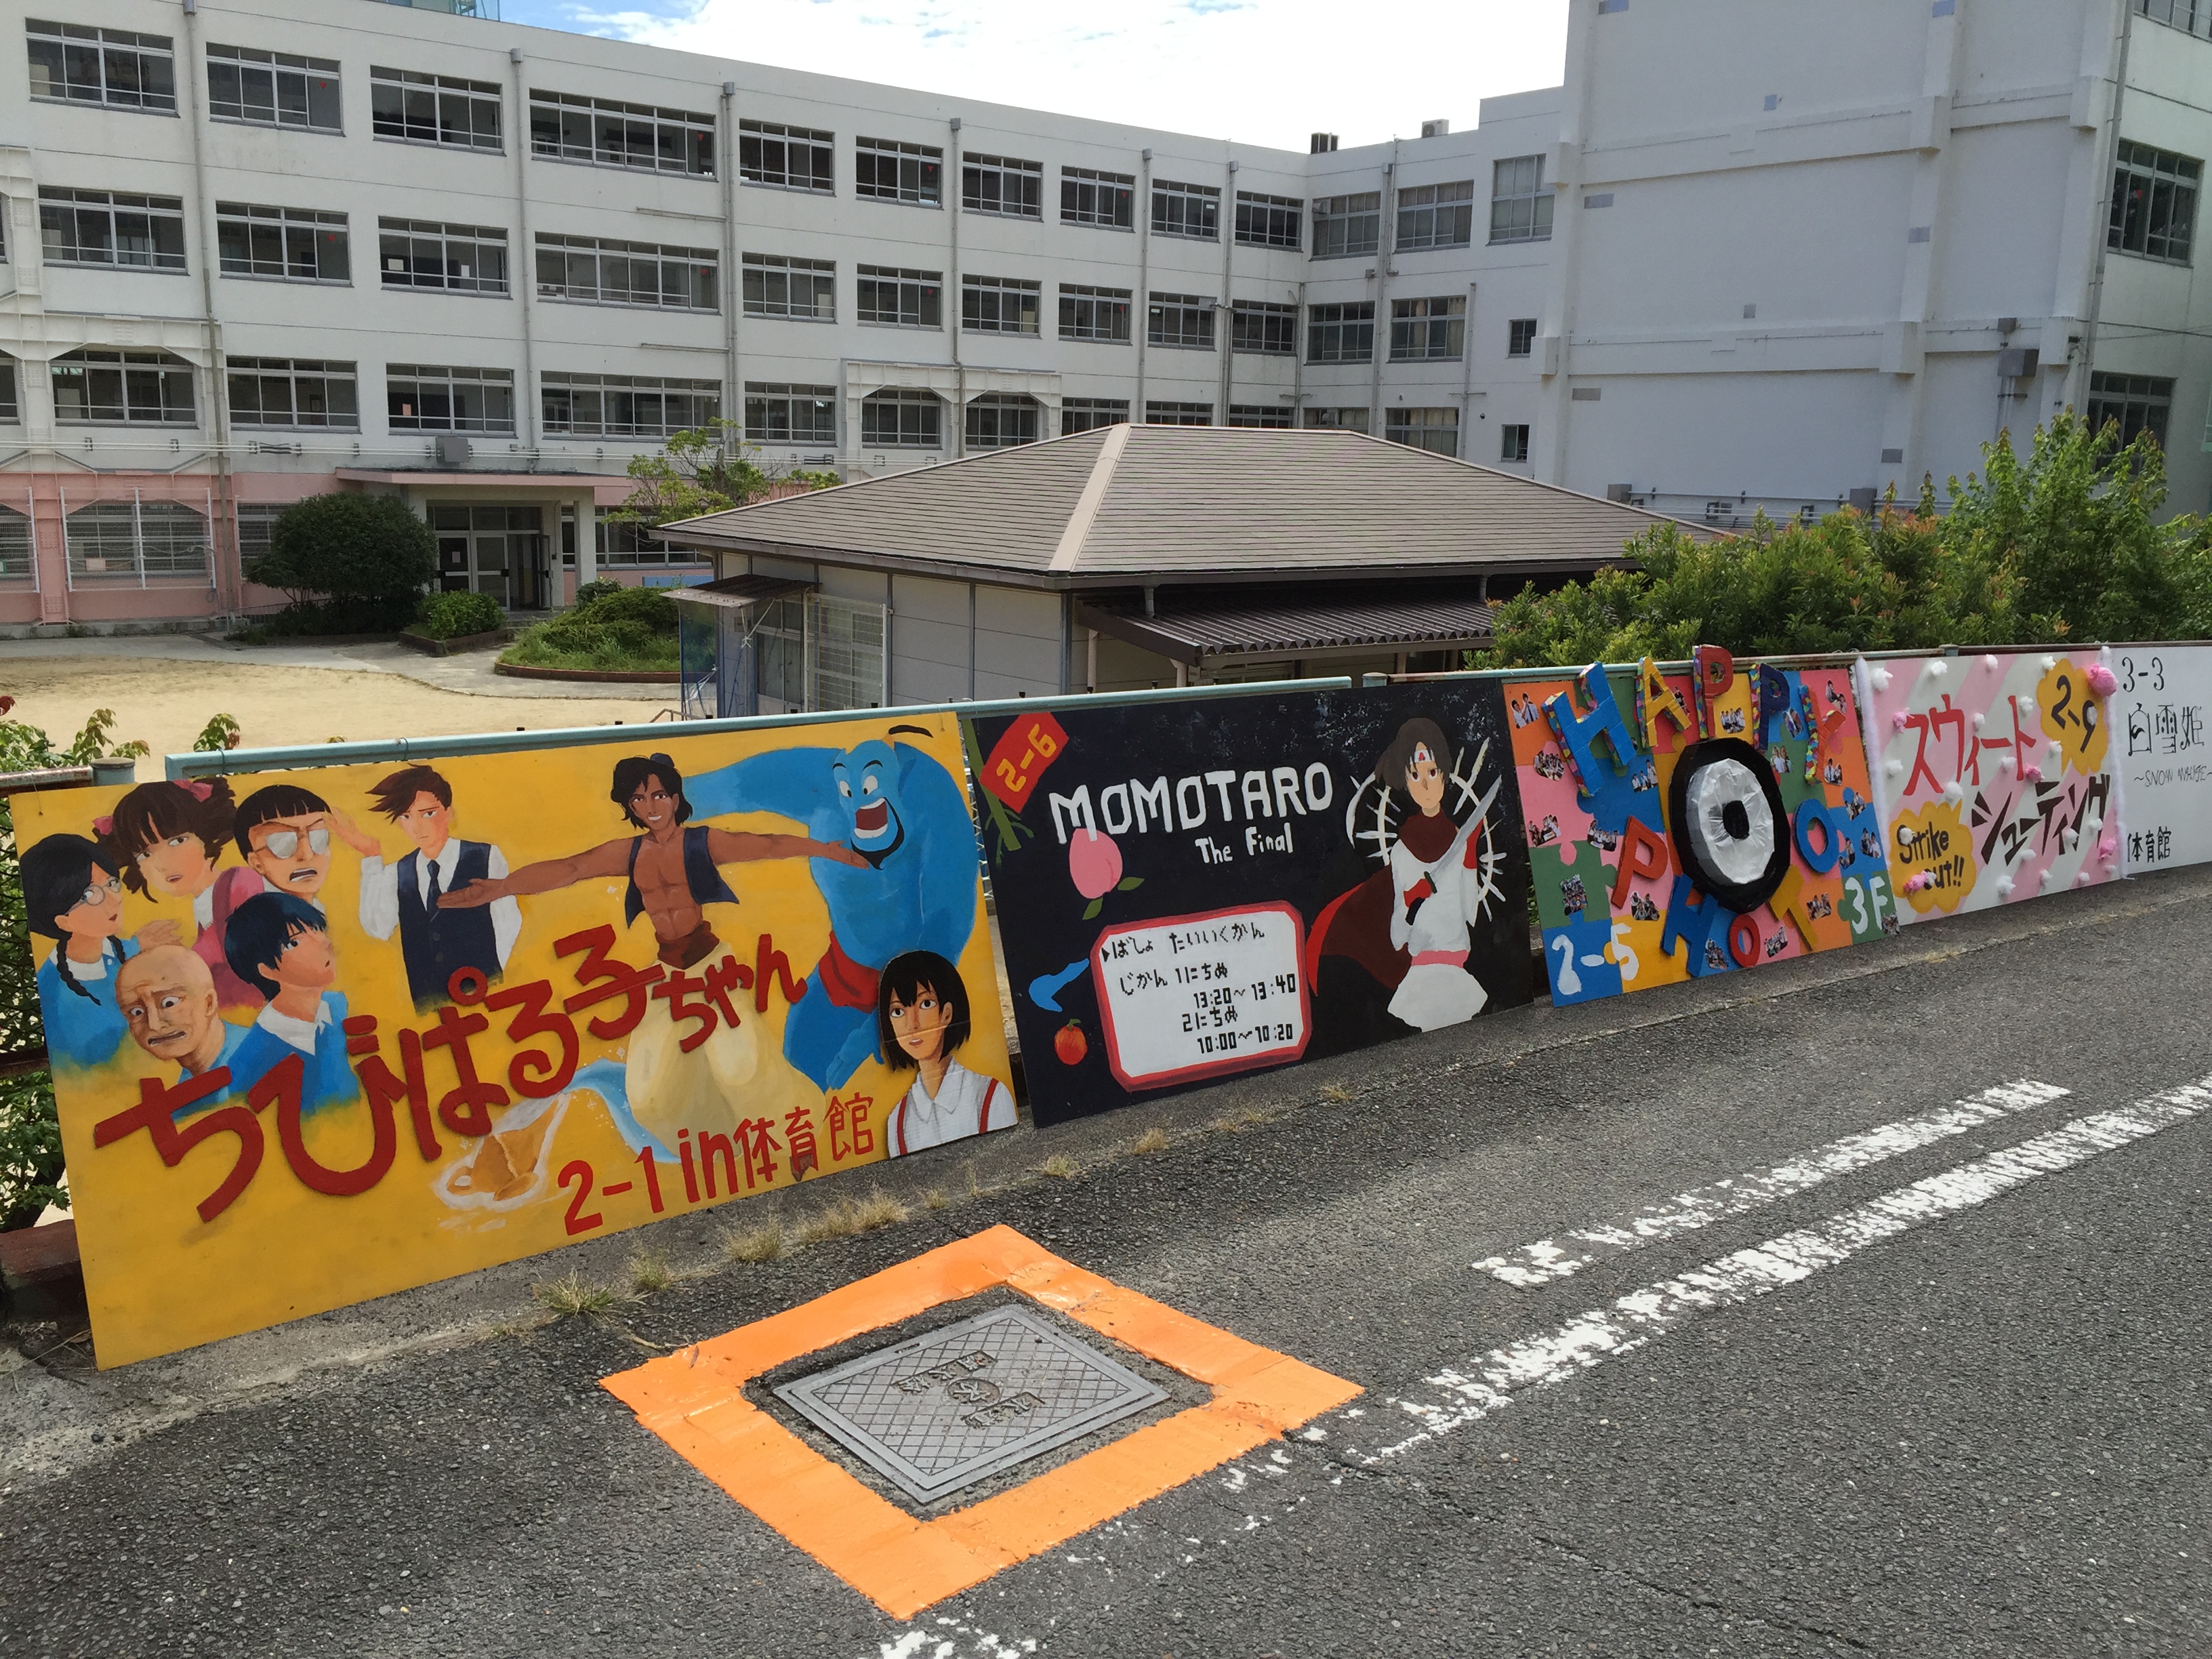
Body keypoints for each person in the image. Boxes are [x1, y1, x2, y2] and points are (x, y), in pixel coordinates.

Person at [439, 752, 865, 968]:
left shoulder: (702, 843)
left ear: (675, 799)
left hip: (709, 958)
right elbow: (570, 868)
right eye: (640, 799)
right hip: (666, 963)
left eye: (659, 795)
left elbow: (767, 845)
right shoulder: (629, 853)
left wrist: (825, 849)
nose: (651, 806)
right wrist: (504, 887)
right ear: (631, 807)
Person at [354, 764, 518, 1008]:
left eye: (428, 814)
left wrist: (490, 977)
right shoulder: (397, 872)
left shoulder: (484, 857)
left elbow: (508, 922)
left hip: (484, 996)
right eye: (406, 817)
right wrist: (371, 859)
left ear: (448, 813)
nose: (417, 827)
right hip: (427, 1005)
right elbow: (378, 927)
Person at [104, 778, 266, 1009]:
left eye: (177, 841)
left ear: (204, 834)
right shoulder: (205, 906)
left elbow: (259, 980)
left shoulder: (241, 887)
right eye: (145, 854)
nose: (162, 864)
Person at [1375, 719, 1491, 1031]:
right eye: (1415, 775)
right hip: (1423, 976)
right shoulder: (1402, 852)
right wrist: (1411, 899)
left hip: (1457, 969)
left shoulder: (1459, 839)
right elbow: (1397, 936)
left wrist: (1469, 859)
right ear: (1405, 780)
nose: (1426, 784)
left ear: (1444, 774)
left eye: (1433, 772)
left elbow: (1470, 913)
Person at [22, 833, 174, 1070]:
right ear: (63, 921)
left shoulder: (128, 949)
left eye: (111, 884)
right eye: (89, 895)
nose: (114, 899)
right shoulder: (58, 997)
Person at [222, 892, 359, 1112]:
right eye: (295, 942)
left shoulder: (339, 1008)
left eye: (316, 929)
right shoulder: (249, 1064)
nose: (324, 942)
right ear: (267, 971)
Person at [876, 950, 1015, 1155]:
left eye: (926, 1004)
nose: (912, 1024)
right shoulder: (898, 1122)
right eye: (898, 1011)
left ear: (947, 1014)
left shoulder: (990, 1096)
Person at [115, 945, 249, 1109]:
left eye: (169, 1003)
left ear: (209, 1003)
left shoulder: (250, 1063)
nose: (154, 1025)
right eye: (136, 1012)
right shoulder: (191, 1081)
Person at [235, 783, 354, 906]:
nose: (307, 855)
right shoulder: (260, 914)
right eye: (283, 843)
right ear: (256, 863)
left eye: (318, 837)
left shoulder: (315, 909)